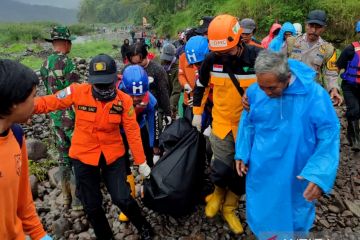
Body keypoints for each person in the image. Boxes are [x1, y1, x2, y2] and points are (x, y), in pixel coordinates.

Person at [33, 54, 153, 240]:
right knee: (92, 205)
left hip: (113, 155)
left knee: (122, 197)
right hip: (83, 155)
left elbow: (132, 132)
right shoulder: (77, 92)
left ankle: (144, 226)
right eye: (99, 84)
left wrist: (141, 162)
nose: (103, 88)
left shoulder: (124, 101)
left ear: (115, 80)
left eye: (107, 83)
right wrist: (23, 106)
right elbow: (50, 101)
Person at [235, 50, 339, 239]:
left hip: (296, 168)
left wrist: (319, 173)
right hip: (262, 167)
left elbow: (329, 135)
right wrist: (242, 152)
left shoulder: (314, 95)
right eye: (262, 86)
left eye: (272, 88)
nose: (266, 92)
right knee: (263, 206)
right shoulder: (254, 91)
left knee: (295, 208)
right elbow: (248, 122)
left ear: (287, 78)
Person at [192, 14, 260, 234]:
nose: (223, 56)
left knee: (242, 171)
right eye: (219, 52)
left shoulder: (258, 57)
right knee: (220, 169)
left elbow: (275, 87)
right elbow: (201, 86)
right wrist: (197, 113)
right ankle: (218, 193)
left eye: (227, 51)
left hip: (248, 127)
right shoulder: (212, 59)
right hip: (221, 122)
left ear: (240, 39)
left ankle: (230, 207)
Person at [0, 59, 52, 240]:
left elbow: (23, 201)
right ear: (14, 102)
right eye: (32, 96)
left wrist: (39, 234)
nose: (35, 103)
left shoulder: (15, 135)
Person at [41, 26, 82, 211]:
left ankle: (66, 197)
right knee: (77, 155)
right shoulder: (68, 63)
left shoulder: (44, 64)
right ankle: (78, 200)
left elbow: (49, 92)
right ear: (66, 43)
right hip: (70, 117)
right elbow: (75, 92)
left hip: (54, 117)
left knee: (63, 157)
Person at [117, 65, 160, 222]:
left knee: (147, 157)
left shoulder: (150, 101)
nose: (135, 99)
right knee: (122, 164)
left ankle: (146, 190)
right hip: (119, 131)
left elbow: (153, 124)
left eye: (139, 96)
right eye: (132, 95)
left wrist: (153, 146)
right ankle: (129, 197)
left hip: (139, 126)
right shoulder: (114, 93)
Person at [287, 10, 343, 105]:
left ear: (324, 28)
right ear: (306, 25)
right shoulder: (291, 42)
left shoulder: (328, 49)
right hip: (291, 91)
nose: (313, 30)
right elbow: (278, 65)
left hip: (312, 93)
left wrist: (334, 89)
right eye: (311, 26)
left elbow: (331, 72)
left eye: (318, 27)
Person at [126, 42, 172, 131]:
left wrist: (168, 113)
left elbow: (164, 92)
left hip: (153, 111)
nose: (137, 66)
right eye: (133, 63)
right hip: (133, 111)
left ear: (146, 56)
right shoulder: (127, 70)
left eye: (140, 62)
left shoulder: (157, 70)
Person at [336, 21, 360, 151]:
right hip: (349, 86)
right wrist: (335, 87)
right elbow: (338, 66)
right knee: (354, 110)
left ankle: (350, 135)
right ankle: (356, 141)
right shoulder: (350, 49)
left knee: (356, 112)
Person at [160, 43, 181, 119]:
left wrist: (171, 107)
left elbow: (176, 91)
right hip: (163, 95)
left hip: (172, 95)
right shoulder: (162, 63)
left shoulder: (178, 68)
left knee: (171, 118)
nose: (166, 60)